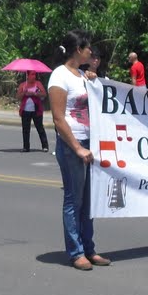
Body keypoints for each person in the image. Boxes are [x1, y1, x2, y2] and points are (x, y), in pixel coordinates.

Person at [48, 30, 110, 271]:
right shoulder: (59, 76)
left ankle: (89, 248)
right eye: (88, 49)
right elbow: (58, 118)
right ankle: (76, 252)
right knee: (74, 199)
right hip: (72, 144)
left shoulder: (84, 75)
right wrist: (76, 148)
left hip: (90, 142)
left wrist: (93, 80)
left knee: (89, 201)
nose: (91, 52)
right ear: (77, 50)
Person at [16, 70, 49, 152]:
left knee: (40, 128)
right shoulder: (23, 85)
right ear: (27, 75)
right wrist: (24, 93)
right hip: (25, 110)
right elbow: (18, 97)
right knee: (26, 129)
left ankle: (45, 146)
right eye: (32, 74)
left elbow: (44, 94)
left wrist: (35, 94)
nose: (33, 76)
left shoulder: (38, 84)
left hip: (36, 110)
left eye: (35, 74)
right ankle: (26, 147)